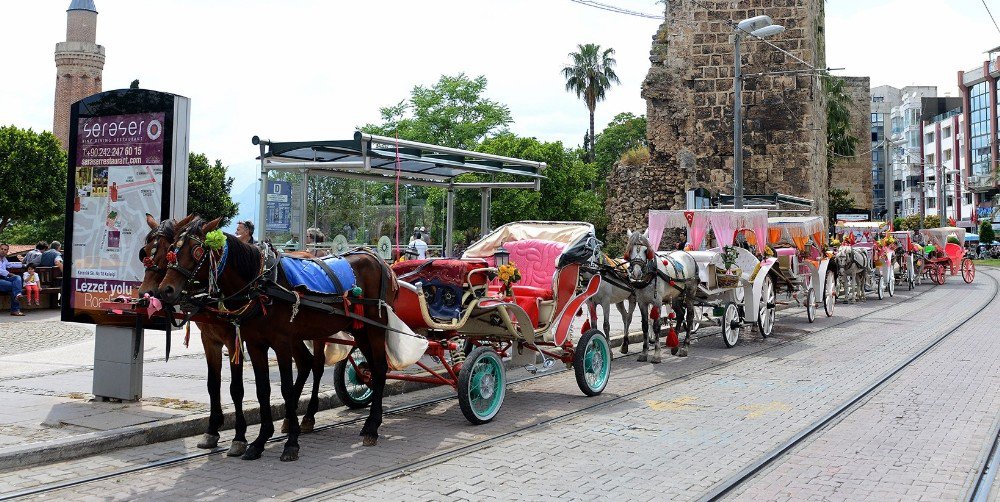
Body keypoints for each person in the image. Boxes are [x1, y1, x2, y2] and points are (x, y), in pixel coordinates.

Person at [0, 243, 25, 316]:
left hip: (4, 279)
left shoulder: (4, 259)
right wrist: (9, 274)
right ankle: (15, 310)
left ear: (7, 251)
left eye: (5, 250)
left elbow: (10, 264)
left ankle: (18, 294)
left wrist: (23, 264)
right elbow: (1, 271)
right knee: (15, 286)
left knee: (17, 277)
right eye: (2, 249)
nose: (3, 251)